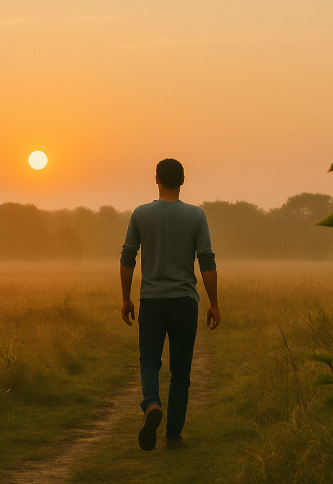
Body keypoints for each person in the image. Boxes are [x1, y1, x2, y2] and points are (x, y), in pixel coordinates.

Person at [120, 158, 219, 451]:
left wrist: (126, 298)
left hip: (151, 301)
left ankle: (151, 404)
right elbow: (207, 260)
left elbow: (128, 257)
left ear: (156, 179)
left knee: (149, 361)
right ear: (183, 181)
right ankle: (173, 434)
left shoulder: (141, 214)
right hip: (184, 302)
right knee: (181, 372)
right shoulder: (196, 216)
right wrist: (214, 303)